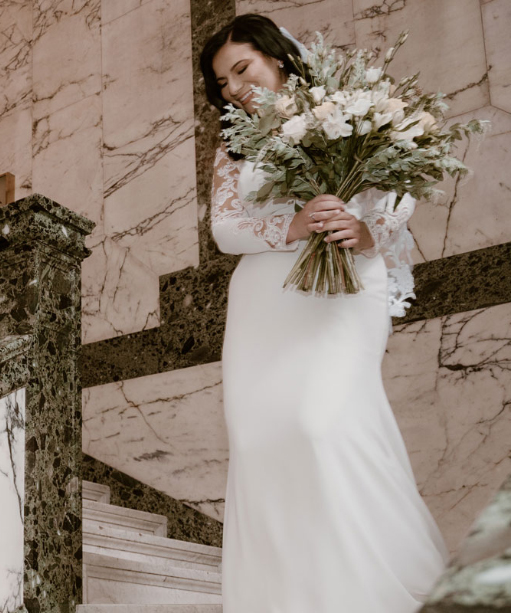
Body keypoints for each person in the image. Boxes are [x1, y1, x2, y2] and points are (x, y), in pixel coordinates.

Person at [199, 14, 449, 613]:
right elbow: (226, 229)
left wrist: (365, 229)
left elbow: (395, 199)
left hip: (344, 288)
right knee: (261, 442)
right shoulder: (232, 145)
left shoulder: (352, 110)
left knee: (322, 424)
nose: (233, 87)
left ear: (277, 58)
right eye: (221, 82)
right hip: (263, 299)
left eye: (242, 68)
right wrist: (293, 224)